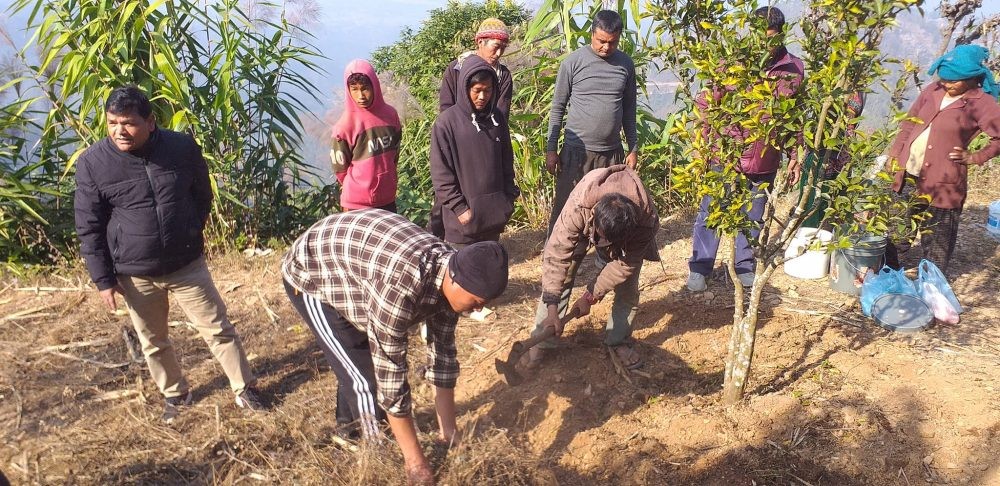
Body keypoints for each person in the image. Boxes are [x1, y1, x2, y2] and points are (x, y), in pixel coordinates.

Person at [74, 86, 265, 423]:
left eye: (128, 123)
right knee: (153, 340)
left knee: (218, 328)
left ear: (150, 122)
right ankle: (176, 394)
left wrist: (190, 230)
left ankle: (244, 388)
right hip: (135, 272)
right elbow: (88, 225)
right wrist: (103, 278)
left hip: (186, 264)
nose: (120, 131)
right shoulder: (94, 163)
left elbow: (202, 195)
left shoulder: (180, 147)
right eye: (112, 122)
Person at [281, 209, 509, 485]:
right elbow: (390, 373)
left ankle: (346, 429)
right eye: (476, 300)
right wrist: (416, 462)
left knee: (357, 359)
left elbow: (443, 356)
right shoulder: (400, 285)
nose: (480, 307)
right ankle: (379, 453)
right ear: (454, 279)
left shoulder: (453, 276)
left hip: (358, 266)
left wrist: (449, 433)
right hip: (312, 271)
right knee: (365, 379)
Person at [686, 6, 805, 292]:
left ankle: (745, 266)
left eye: (772, 39)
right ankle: (700, 267)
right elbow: (707, 104)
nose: (765, 46)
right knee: (711, 211)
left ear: (781, 36)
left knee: (753, 214)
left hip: (765, 156)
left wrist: (795, 154)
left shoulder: (793, 69)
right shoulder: (732, 64)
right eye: (760, 38)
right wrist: (702, 148)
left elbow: (796, 116)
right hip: (726, 154)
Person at [523, 165, 659, 371]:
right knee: (563, 275)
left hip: (626, 241)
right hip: (584, 224)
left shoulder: (645, 219)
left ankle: (618, 340)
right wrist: (553, 306)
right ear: (595, 216)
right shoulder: (580, 205)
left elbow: (625, 265)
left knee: (627, 288)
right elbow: (557, 254)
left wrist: (590, 296)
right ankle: (543, 338)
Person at [884, 44, 1000, 274]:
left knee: (937, 236)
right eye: (944, 78)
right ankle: (888, 275)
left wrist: (976, 157)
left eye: (953, 81)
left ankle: (931, 283)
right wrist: (895, 154)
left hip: (943, 180)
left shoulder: (981, 102)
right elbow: (909, 123)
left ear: (971, 78)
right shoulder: (932, 91)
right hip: (908, 173)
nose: (946, 84)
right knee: (899, 230)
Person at [545, 9, 638, 235]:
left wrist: (633, 148)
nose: (606, 47)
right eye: (601, 41)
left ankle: (605, 255)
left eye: (612, 43)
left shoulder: (626, 65)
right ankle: (555, 257)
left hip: (611, 154)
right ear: (591, 34)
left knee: (610, 211)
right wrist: (551, 149)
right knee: (566, 209)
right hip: (576, 153)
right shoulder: (573, 63)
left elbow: (629, 110)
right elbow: (557, 108)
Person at [430, 55, 519, 247]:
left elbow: (506, 162)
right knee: (463, 275)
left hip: (493, 220)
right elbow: (441, 175)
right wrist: (461, 209)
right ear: (465, 88)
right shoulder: (446, 123)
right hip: (461, 226)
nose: (482, 97)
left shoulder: (497, 119)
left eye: (487, 91)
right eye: (477, 90)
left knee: (489, 272)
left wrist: (508, 199)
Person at [330, 59, 402, 212]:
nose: (360, 95)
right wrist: (360, 187)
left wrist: (386, 178)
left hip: (387, 199)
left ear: (374, 86)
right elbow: (340, 168)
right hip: (355, 204)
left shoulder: (390, 115)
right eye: (354, 89)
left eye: (365, 88)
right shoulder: (345, 125)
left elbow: (394, 153)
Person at [795, 92, 866, 228]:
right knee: (814, 198)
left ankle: (820, 235)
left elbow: (850, 119)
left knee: (826, 199)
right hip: (822, 151)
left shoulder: (853, 89)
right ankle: (813, 234)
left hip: (836, 153)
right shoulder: (838, 86)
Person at [439, 17, 513, 121]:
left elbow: (502, 114)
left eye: (503, 48)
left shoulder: (503, 75)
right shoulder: (456, 69)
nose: (498, 53)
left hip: (489, 133)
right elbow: (446, 108)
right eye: (496, 46)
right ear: (480, 42)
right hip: (458, 130)